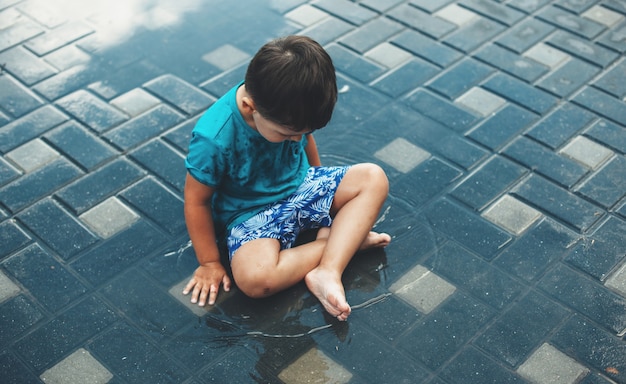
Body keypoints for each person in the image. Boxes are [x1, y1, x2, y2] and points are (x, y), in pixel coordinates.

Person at [182, 35, 390, 321]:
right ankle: (346, 243)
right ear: (249, 107)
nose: (297, 139)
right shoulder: (214, 138)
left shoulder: (288, 111)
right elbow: (196, 202)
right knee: (256, 280)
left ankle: (328, 270)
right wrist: (209, 262)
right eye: (288, 134)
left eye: (302, 132)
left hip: (300, 185)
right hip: (251, 213)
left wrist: (325, 197)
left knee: (373, 177)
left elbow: (306, 141)